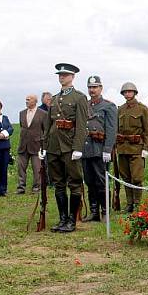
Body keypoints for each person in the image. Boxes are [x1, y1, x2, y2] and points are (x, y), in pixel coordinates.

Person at [41, 63, 89, 233]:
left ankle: (71, 221)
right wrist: (44, 145)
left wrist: (78, 147)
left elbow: (82, 125)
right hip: (54, 146)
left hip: (69, 146)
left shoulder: (79, 98)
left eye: (65, 75)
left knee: (74, 183)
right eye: (60, 75)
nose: (62, 77)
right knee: (58, 183)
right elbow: (48, 124)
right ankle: (62, 219)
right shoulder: (54, 99)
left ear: (72, 77)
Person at [82, 75, 117, 222]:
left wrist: (107, 149)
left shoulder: (108, 106)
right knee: (89, 181)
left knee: (101, 181)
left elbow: (111, 129)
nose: (92, 90)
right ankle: (94, 211)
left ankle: (105, 212)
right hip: (86, 149)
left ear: (101, 88)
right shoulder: (85, 106)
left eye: (95, 87)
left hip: (100, 149)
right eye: (90, 87)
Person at [116, 82, 148, 213]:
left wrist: (146, 148)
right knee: (125, 177)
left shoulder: (142, 109)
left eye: (130, 91)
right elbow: (117, 129)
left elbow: (147, 130)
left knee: (136, 178)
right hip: (123, 148)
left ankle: (137, 203)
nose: (127, 94)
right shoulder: (120, 109)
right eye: (125, 92)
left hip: (137, 148)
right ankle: (129, 203)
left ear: (135, 93)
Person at [16, 94, 47, 194]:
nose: (27, 101)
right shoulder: (22, 113)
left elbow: (45, 130)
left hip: (36, 145)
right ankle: (21, 187)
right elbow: (22, 127)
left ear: (35, 101)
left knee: (37, 168)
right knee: (21, 168)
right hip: (23, 145)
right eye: (26, 99)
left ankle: (36, 188)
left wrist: (44, 145)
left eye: (29, 99)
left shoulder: (43, 114)